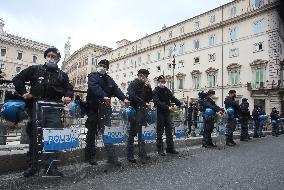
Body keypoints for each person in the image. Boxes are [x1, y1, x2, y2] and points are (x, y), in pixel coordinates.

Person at [12, 47, 74, 177]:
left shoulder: (62, 75)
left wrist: (68, 95)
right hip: (36, 107)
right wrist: (24, 92)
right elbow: (17, 79)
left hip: (55, 108)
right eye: (49, 55)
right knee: (35, 137)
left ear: (58, 59)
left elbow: (69, 88)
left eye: (54, 56)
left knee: (53, 138)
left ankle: (51, 167)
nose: (51, 58)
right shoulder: (35, 69)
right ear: (45, 56)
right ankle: (33, 166)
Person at [85, 59, 129, 166]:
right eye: (100, 65)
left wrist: (124, 99)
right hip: (93, 109)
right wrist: (103, 95)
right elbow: (94, 87)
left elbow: (116, 90)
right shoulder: (92, 76)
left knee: (107, 132)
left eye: (104, 66)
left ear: (107, 68)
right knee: (91, 133)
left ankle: (111, 157)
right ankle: (90, 156)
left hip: (105, 110)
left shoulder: (109, 79)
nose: (102, 67)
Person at [126, 69, 152, 163]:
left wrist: (149, 88)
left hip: (142, 111)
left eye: (146, 76)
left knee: (141, 133)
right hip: (135, 110)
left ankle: (142, 153)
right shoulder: (134, 83)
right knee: (132, 133)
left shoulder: (144, 86)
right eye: (145, 76)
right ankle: (130, 155)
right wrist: (143, 103)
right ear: (140, 75)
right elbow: (131, 95)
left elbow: (149, 98)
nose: (146, 78)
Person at [152, 75, 182, 156]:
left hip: (167, 112)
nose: (163, 83)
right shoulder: (155, 91)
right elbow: (157, 102)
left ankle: (170, 148)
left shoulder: (166, 90)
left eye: (164, 82)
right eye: (161, 81)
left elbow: (172, 98)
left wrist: (179, 103)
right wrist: (167, 107)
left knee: (169, 130)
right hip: (159, 112)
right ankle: (160, 149)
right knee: (160, 131)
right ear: (158, 82)